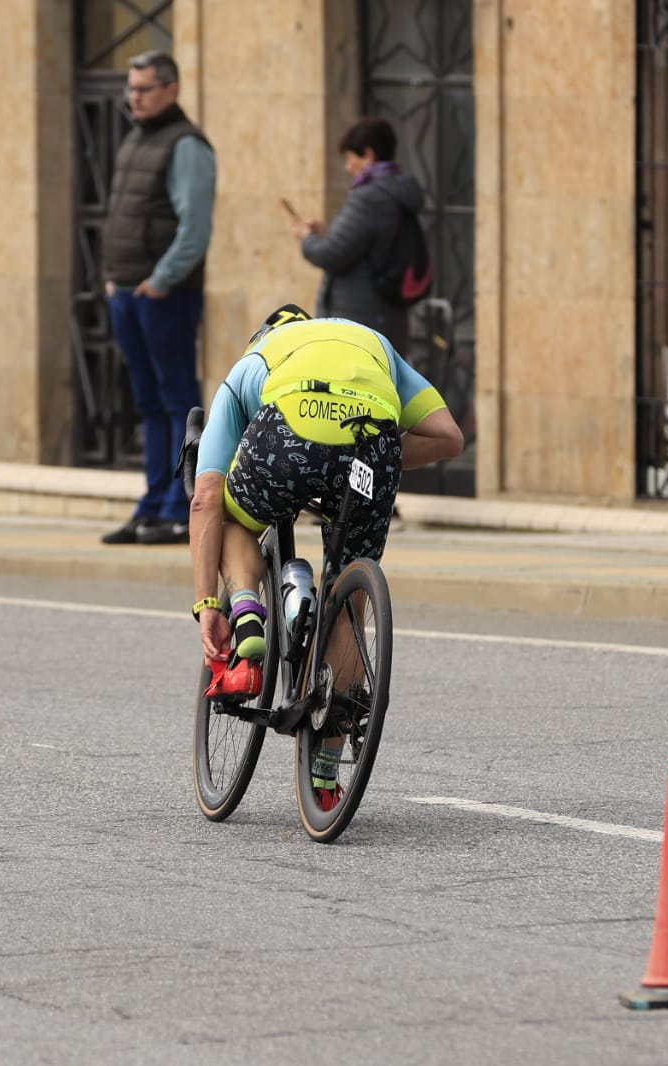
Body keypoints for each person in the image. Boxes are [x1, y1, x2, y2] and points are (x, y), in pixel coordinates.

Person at [188, 305, 462, 802]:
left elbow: (205, 498)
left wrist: (209, 604)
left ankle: (248, 615)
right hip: (371, 443)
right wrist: (387, 461)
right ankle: (326, 775)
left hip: (286, 435)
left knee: (232, 519)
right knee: (349, 602)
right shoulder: (372, 341)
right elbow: (448, 438)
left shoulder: (255, 360)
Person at [99, 50, 216, 547]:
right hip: (126, 290)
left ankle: (177, 507)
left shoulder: (186, 145)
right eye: (131, 89)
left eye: (144, 89)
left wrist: (162, 279)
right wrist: (113, 278)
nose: (135, 98)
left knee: (175, 402)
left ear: (172, 90)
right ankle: (149, 506)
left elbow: (195, 227)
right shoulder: (136, 138)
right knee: (148, 403)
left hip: (162, 295)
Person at [289, 116, 424, 353]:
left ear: (368, 155)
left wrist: (306, 237)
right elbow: (367, 243)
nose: (348, 167)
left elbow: (332, 254)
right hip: (383, 314)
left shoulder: (370, 197)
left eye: (351, 158)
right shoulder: (395, 192)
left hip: (358, 318)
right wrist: (328, 232)